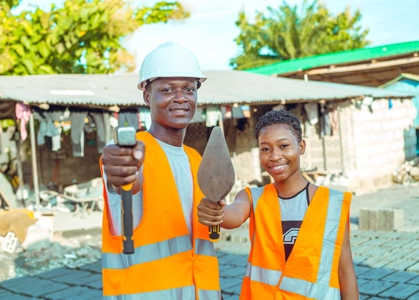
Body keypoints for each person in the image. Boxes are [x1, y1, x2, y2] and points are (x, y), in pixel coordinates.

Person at [100, 42, 221, 299]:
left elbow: (205, 240)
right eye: (167, 90)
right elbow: (127, 178)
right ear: (147, 96)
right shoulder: (130, 149)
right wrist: (121, 170)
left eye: (189, 89)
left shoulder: (197, 160)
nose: (180, 98)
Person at [198, 109, 359, 299]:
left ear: (301, 146)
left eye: (283, 146)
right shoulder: (252, 197)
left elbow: (345, 273)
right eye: (265, 149)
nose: (274, 156)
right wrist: (216, 211)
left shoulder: (333, 204)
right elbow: (233, 215)